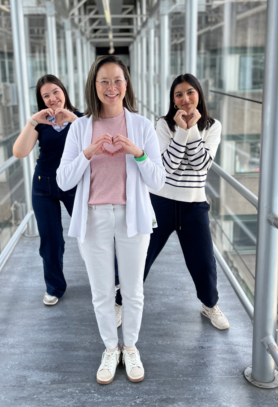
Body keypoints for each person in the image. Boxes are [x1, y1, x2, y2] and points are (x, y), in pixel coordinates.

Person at [56, 56, 165, 385]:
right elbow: (63, 180)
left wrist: (139, 153)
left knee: (133, 291)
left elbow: (158, 181)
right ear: (94, 85)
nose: (111, 87)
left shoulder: (143, 126)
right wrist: (87, 153)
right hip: (93, 218)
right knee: (101, 292)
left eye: (117, 80)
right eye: (104, 81)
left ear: (126, 84)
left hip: (131, 217)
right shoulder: (79, 127)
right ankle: (109, 348)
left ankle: (130, 347)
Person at [114, 74, 228, 330]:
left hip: (194, 205)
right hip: (160, 202)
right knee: (141, 256)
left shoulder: (212, 126)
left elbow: (201, 166)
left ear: (199, 93)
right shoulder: (163, 125)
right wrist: (181, 132)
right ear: (173, 100)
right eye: (179, 94)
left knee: (203, 261)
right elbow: (166, 168)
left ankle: (210, 305)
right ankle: (120, 301)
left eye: (190, 92)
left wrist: (192, 129)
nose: (185, 99)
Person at [12, 74, 83, 306]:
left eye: (55, 92)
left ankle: (111, 280)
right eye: (46, 96)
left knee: (91, 234)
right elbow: (20, 152)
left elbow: (91, 144)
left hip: (74, 185)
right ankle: (54, 287)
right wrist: (33, 120)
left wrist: (73, 119)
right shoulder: (41, 122)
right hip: (44, 186)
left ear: (64, 91)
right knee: (51, 240)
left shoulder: (81, 118)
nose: (52, 98)